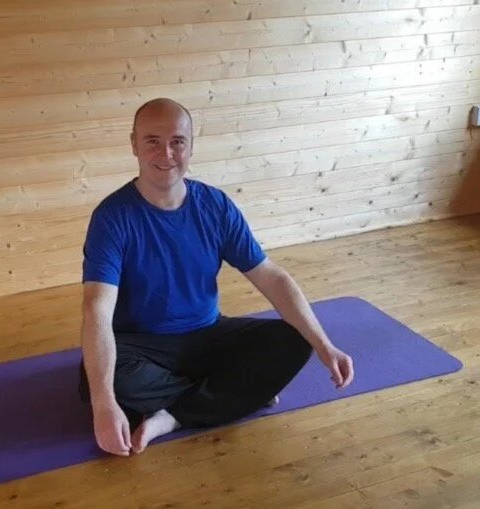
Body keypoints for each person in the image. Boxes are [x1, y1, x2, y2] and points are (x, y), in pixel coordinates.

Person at [78, 97, 354, 456]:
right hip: (144, 345)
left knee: (294, 340)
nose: (167, 153)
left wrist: (324, 344)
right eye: (152, 141)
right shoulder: (112, 218)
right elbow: (96, 308)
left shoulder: (216, 206)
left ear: (191, 146)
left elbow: (270, 276)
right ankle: (231, 394)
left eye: (178, 141)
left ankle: (172, 416)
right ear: (134, 144)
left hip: (208, 335)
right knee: (96, 379)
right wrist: (103, 405)